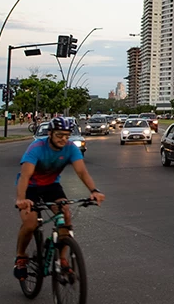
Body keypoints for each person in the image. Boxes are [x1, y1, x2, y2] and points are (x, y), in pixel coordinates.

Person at [13, 117, 105, 279]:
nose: (63, 139)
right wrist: (21, 199)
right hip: (30, 187)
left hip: (51, 186)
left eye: (66, 135)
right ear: (50, 134)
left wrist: (94, 190)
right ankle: (21, 256)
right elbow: (25, 175)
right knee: (30, 223)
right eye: (59, 135)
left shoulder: (70, 148)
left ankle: (62, 259)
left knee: (66, 216)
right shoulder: (37, 148)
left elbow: (82, 172)